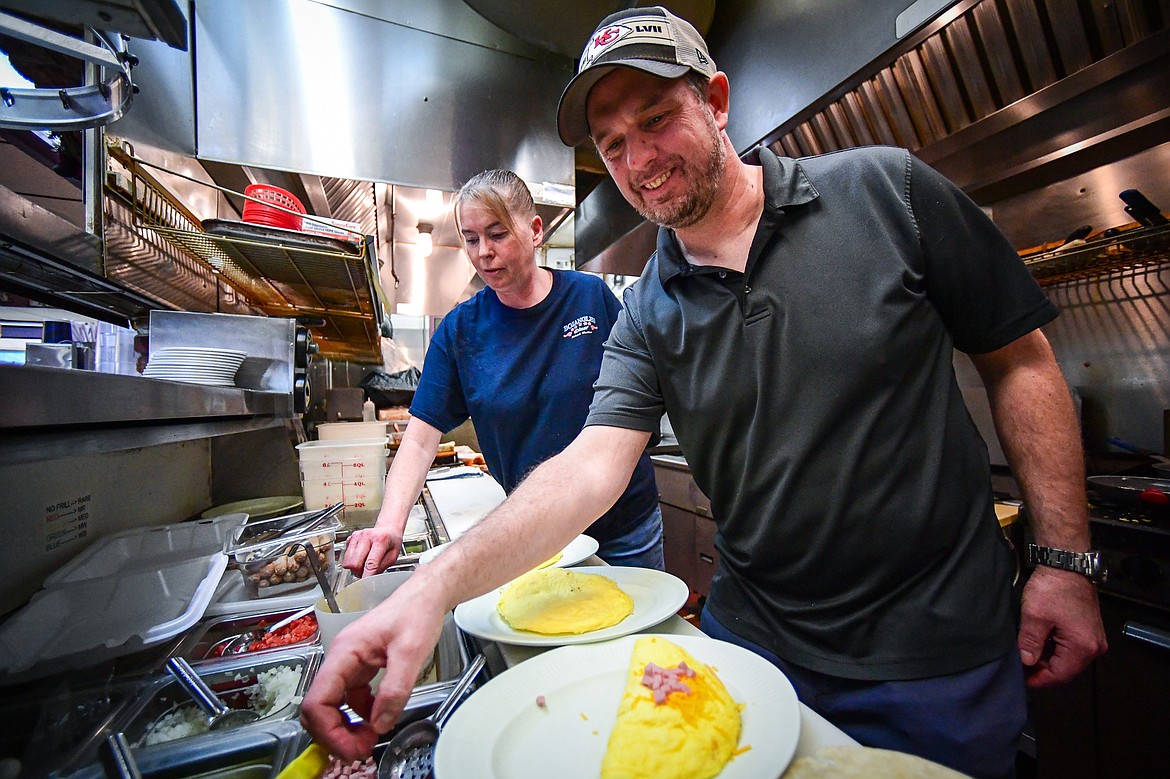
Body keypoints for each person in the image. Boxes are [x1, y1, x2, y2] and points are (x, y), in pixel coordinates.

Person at [302, 8, 1107, 777]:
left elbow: (1022, 360)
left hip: (934, 656)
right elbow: (589, 468)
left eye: (656, 120)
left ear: (716, 100)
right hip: (748, 647)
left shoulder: (885, 192)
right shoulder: (647, 307)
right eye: (612, 144)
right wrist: (429, 590)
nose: (638, 160)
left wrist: (1064, 560)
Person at [342, 168, 663, 578]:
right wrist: (388, 525)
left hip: (626, 529)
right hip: (538, 537)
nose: (483, 253)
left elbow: (643, 392)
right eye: (471, 239)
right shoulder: (460, 331)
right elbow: (421, 440)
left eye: (497, 234)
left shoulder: (590, 297)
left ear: (534, 230)